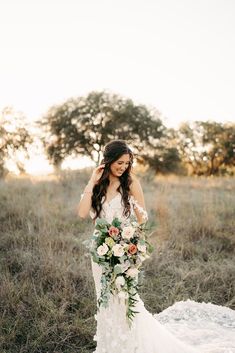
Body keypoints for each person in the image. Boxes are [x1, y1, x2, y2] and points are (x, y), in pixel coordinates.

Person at [77, 140, 234, 353]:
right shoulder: (97, 184)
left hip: (123, 251)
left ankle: (131, 345)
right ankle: (110, 346)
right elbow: (82, 213)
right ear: (108, 160)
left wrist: (130, 239)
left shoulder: (131, 182)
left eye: (127, 163)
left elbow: (142, 219)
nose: (123, 167)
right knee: (104, 300)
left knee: (125, 300)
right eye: (119, 162)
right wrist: (91, 181)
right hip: (100, 253)